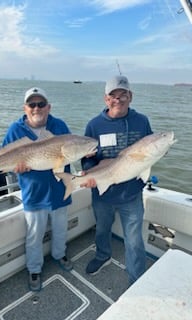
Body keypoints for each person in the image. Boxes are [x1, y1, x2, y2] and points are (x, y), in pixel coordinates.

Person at [81, 75, 153, 285]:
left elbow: (150, 150)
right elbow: (88, 159)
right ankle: (102, 256)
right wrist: (89, 174)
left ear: (131, 96)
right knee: (102, 230)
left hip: (131, 194)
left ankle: (135, 278)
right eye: (113, 95)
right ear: (106, 99)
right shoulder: (94, 125)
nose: (118, 100)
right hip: (103, 192)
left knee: (134, 240)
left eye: (123, 95)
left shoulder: (142, 121)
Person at [3, 87, 73, 292]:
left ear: (48, 107)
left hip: (60, 191)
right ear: (25, 108)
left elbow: (68, 154)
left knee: (61, 229)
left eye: (41, 104)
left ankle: (60, 254)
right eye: (32, 104)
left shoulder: (59, 125)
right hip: (33, 194)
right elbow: (6, 159)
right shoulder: (14, 131)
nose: (36, 108)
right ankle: (34, 269)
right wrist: (17, 169)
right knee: (34, 235)